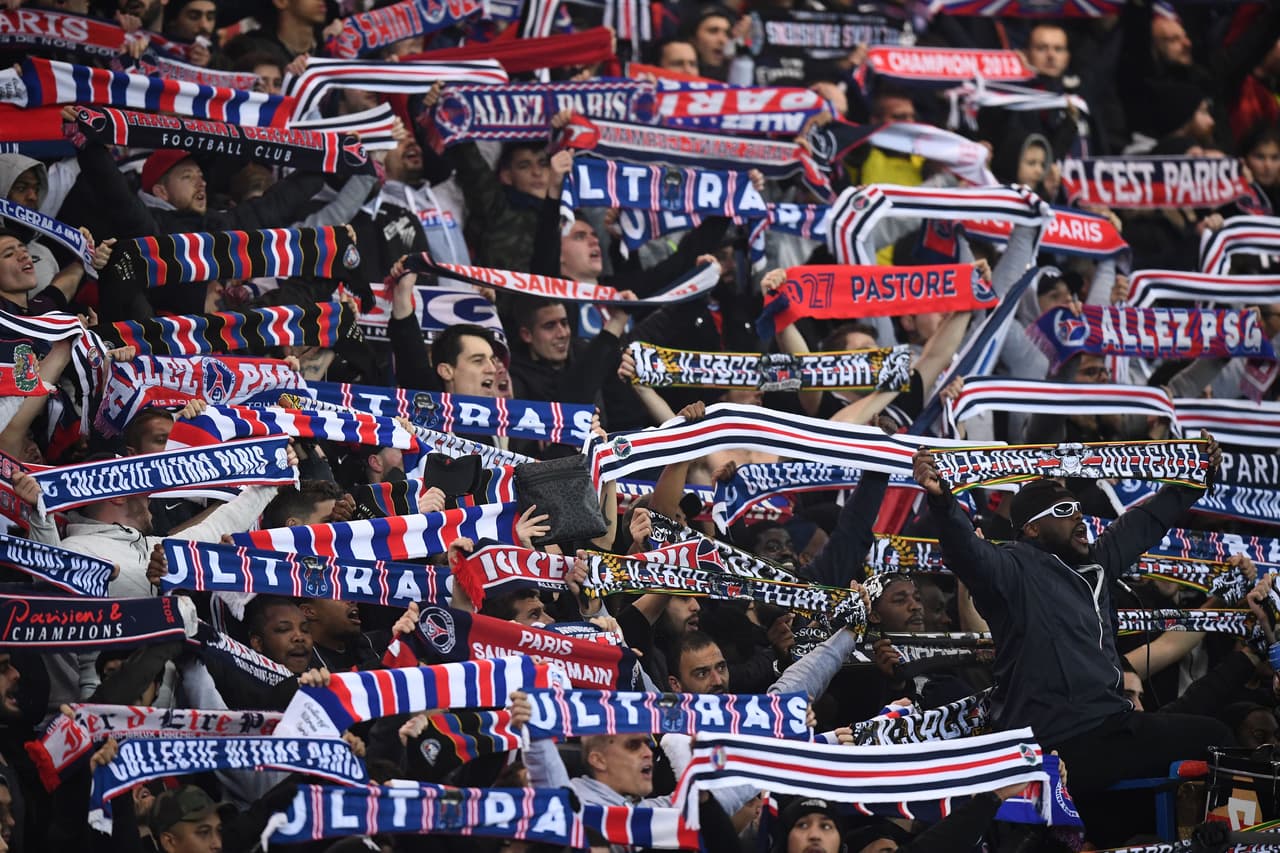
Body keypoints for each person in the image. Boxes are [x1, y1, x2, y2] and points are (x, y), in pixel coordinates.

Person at [912, 437, 1234, 844]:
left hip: (1111, 731)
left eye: (1079, 510)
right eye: (1064, 512)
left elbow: (1143, 523)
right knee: (1217, 739)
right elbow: (967, 554)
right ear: (1031, 528)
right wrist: (943, 504)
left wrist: (1192, 478)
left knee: (1213, 746)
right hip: (1059, 743)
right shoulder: (1012, 567)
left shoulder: (1095, 564)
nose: (1079, 519)